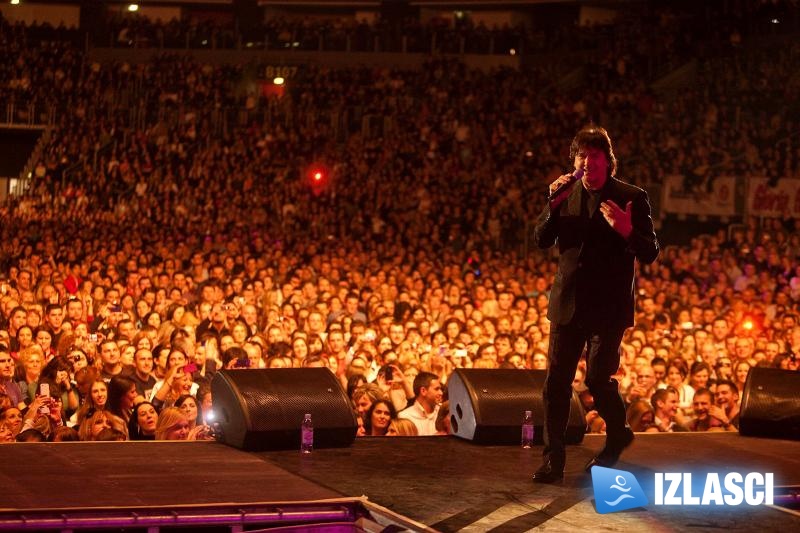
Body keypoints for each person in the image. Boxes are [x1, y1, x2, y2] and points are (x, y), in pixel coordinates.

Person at [531, 126, 659, 483]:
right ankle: (552, 460)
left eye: (595, 156)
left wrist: (625, 230)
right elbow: (541, 239)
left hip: (607, 307)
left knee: (598, 379)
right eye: (581, 156)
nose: (587, 163)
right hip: (568, 303)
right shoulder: (564, 194)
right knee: (555, 384)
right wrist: (551, 205)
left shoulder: (632, 196)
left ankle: (618, 432)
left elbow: (650, 251)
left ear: (608, 161)